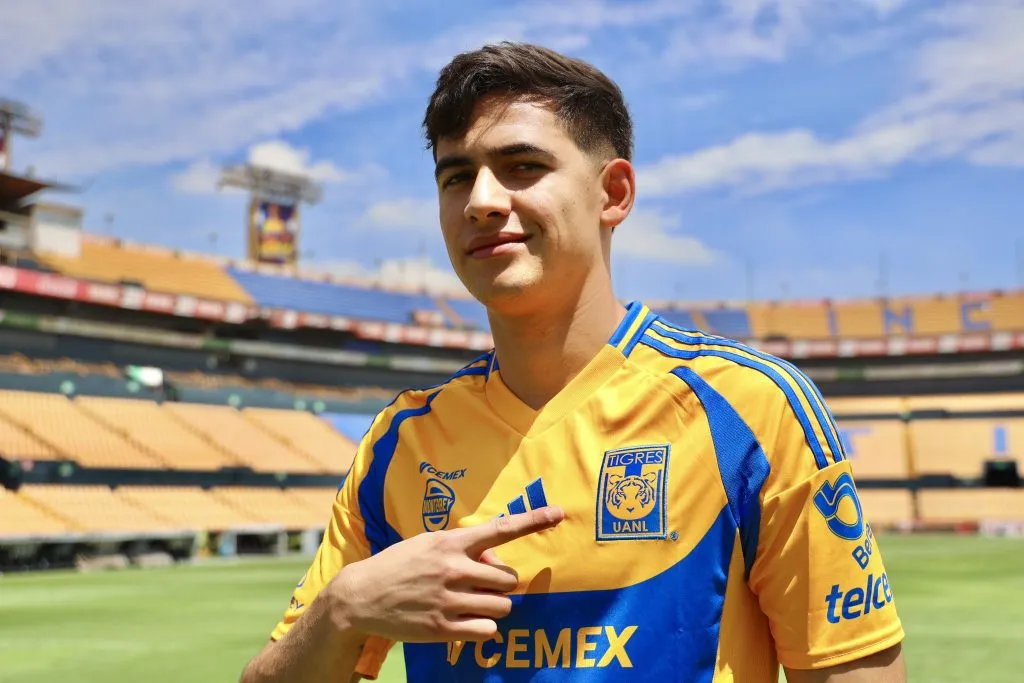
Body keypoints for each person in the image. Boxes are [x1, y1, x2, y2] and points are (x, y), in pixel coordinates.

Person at [240, 42, 906, 683]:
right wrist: (341, 609)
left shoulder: (749, 409)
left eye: (522, 166)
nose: (480, 200)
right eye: (457, 176)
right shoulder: (402, 443)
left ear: (613, 193)